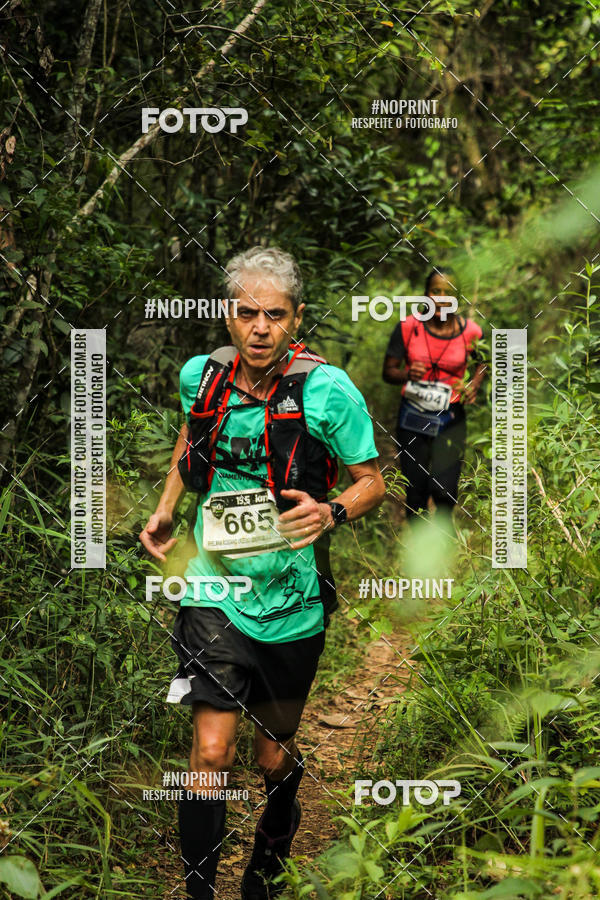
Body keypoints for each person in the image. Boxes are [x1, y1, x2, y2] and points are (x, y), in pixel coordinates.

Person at [139, 246, 385, 900]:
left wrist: (332, 510)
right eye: (247, 312)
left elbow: (373, 482)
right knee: (211, 754)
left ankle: (268, 866)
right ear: (228, 315)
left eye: (274, 315)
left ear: (295, 317)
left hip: (292, 600)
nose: (259, 328)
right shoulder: (204, 377)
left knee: (272, 755)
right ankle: (198, 892)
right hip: (212, 589)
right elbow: (188, 443)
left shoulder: (328, 390)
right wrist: (167, 510)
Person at [382, 267, 486, 525]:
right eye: (435, 291)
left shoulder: (470, 331)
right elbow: (388, 371)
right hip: (412, 417)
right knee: (415, 488)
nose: (441, 298)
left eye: (448, 293)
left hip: (451, 417)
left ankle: (442, 547)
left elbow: (482, 362)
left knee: (445, 489)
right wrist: (407, 374)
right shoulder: (408, 327)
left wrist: (473, 385)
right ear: (425, 295)